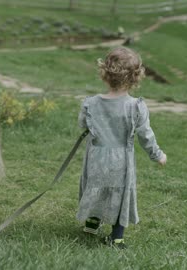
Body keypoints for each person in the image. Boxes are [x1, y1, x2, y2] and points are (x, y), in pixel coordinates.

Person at [76, 47, 167, 249]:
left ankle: (92, 223)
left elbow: (83, 125)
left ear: (105, 74)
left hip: (96, 157)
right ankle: (116, 238)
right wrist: (157, 155)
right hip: (121, 161)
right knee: (120, 194)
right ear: (136, 78)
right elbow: (145, 135)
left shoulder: (90, 103)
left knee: (95, 188)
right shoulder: (136, 106)